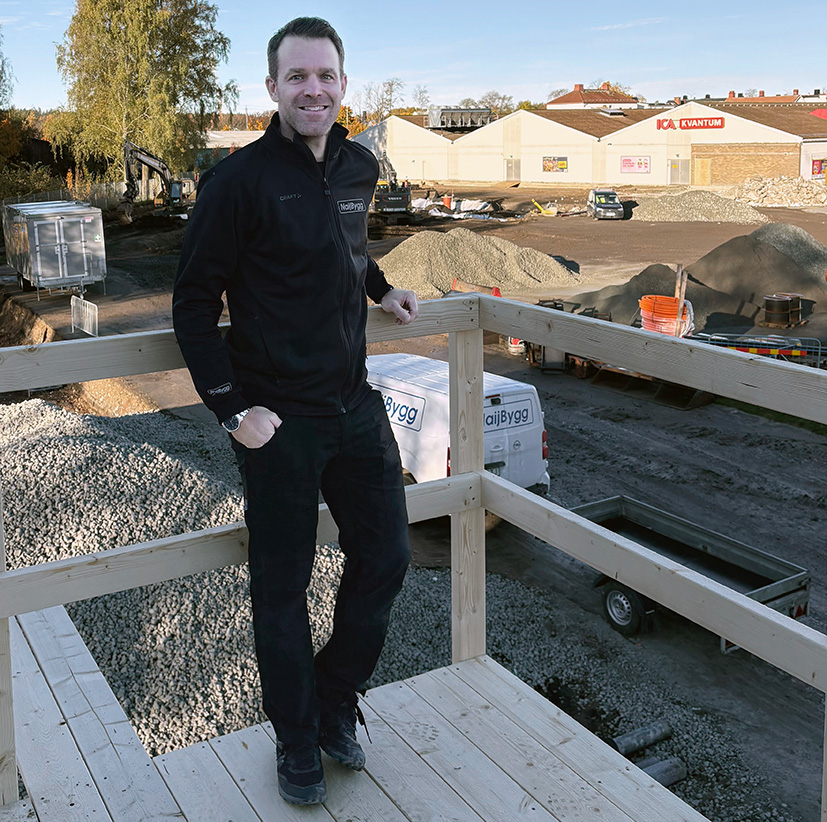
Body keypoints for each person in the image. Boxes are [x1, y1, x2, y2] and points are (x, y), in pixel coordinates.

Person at [172, 16, 418, 806]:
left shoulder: (357, 165)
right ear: (272, 88)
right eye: (297, 77)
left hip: (354, 406)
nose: (313, 89)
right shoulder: (237, 182)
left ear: (343, 84)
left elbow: (345, 247)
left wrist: (382, 289)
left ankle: (334, 700)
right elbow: (191, 303)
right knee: (282, 588)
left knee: (386, 558)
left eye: (325, 76)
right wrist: (231, 410)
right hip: (276, 422)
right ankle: (295, 736)